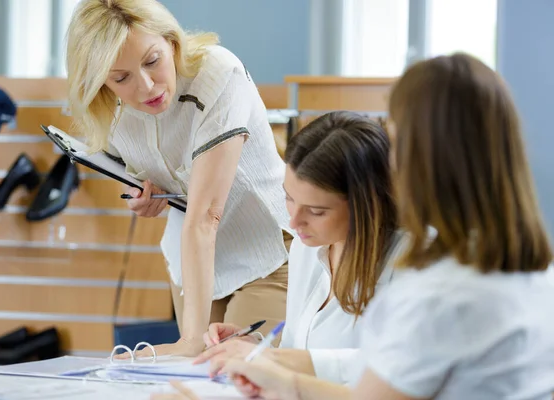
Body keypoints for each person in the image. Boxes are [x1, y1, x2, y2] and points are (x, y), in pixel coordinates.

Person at [154, 53, 554, 399]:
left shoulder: (440, 290)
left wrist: (272, 369)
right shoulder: (531, 271)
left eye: (396, 142)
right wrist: (267, 361)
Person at [65, 0, 291, 356]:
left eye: (152, 61)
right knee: (191, 380)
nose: (146, 86)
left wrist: (189, 342)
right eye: (120, 78)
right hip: (194, 265)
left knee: (233, 372)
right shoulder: (108, 107)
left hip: (265, 251)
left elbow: (205, 216)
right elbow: (154, 169)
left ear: (172, 41)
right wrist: (142, 191)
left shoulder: (219, 74)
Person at [192, 111, 402, 385]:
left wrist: (275, 361)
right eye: (288, 198)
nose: (294, 221)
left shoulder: (410, 262)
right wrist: (256, 346)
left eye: (316, 211)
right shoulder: (307, 249)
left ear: (366, 205)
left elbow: (401, 367)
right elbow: (298, 349)